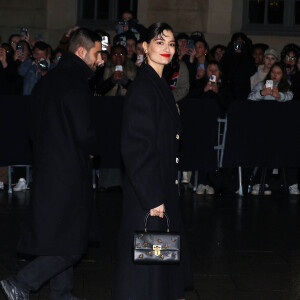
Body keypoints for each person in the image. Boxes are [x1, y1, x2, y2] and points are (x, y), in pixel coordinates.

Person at [0, 28, 102, 300]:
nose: (99, 59)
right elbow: (84, 130)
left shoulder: (49, 80)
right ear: (81, 52)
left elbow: (33, 129)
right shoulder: (76, 82)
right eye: (96, 53)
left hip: (47, 168)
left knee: (59, 236)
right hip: (69, 171)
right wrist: (94, 147)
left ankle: (62, 293)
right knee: (72, 244)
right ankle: (21, 283)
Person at [114, 22, 193, 300]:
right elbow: (136, 146)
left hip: (160, 188)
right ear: (145, 47)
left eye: (171, 44)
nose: (167, 49)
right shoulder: (144, 88)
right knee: (146, 268)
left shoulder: (157, 84)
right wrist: (152, 197)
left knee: (157, 265)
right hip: (149, 194)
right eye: (160, 42)